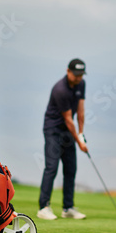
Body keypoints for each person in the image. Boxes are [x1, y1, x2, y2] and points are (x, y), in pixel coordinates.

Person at [37, 59, 89, 220]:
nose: (78, 78)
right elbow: (68, 118)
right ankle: (43, 207)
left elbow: (80, 111)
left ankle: (68, 208)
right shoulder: (60, 89)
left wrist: (81, 135)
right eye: (76, 75)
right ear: (68, 71)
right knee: (51, 168)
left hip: (68, 131)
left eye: (81, 75)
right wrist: (79, 142)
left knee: (71, 168)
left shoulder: (81, 84)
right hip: (53, 130)